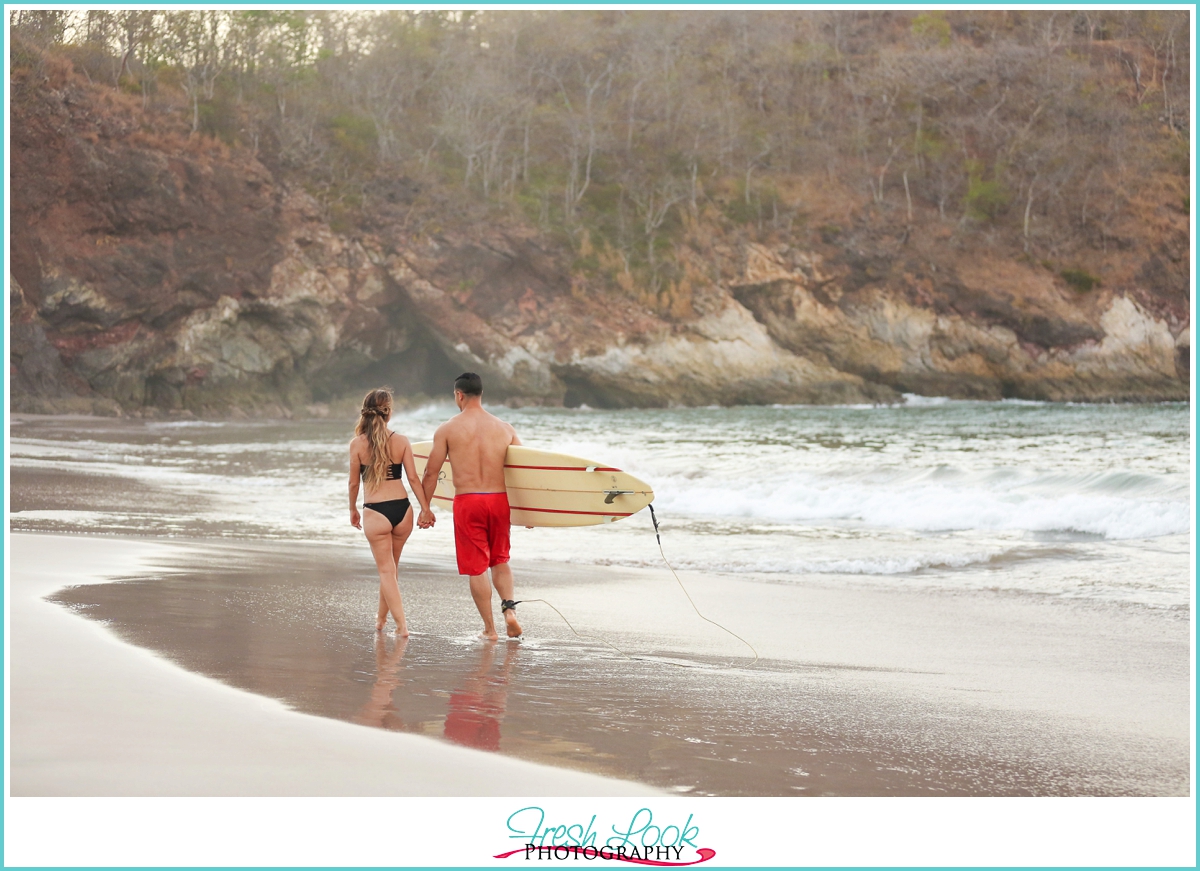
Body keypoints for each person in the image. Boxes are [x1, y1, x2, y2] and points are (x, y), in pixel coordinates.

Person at [422, 372, 524, 640]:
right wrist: (529, 511)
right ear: (481, 394)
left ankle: (490, 630)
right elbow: (523, 472)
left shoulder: (447, 429)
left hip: (468, 502)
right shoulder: (505, 428)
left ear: (459, 395)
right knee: (500, 559)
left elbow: (431, 473)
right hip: (499, 501)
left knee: (477, 567)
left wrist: (425, 508)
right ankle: (509, 610)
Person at [348, 387, 435, 635]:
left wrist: (352, 509)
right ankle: (381, 620)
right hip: (402, 510)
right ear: (389, 412)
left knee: (387, 571)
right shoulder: (401, 441)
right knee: (391, 570)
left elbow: (354, 483)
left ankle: (402, 626)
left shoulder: (356, 444)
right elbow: (414, 479)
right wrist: (425, 509)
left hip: (375, 512)